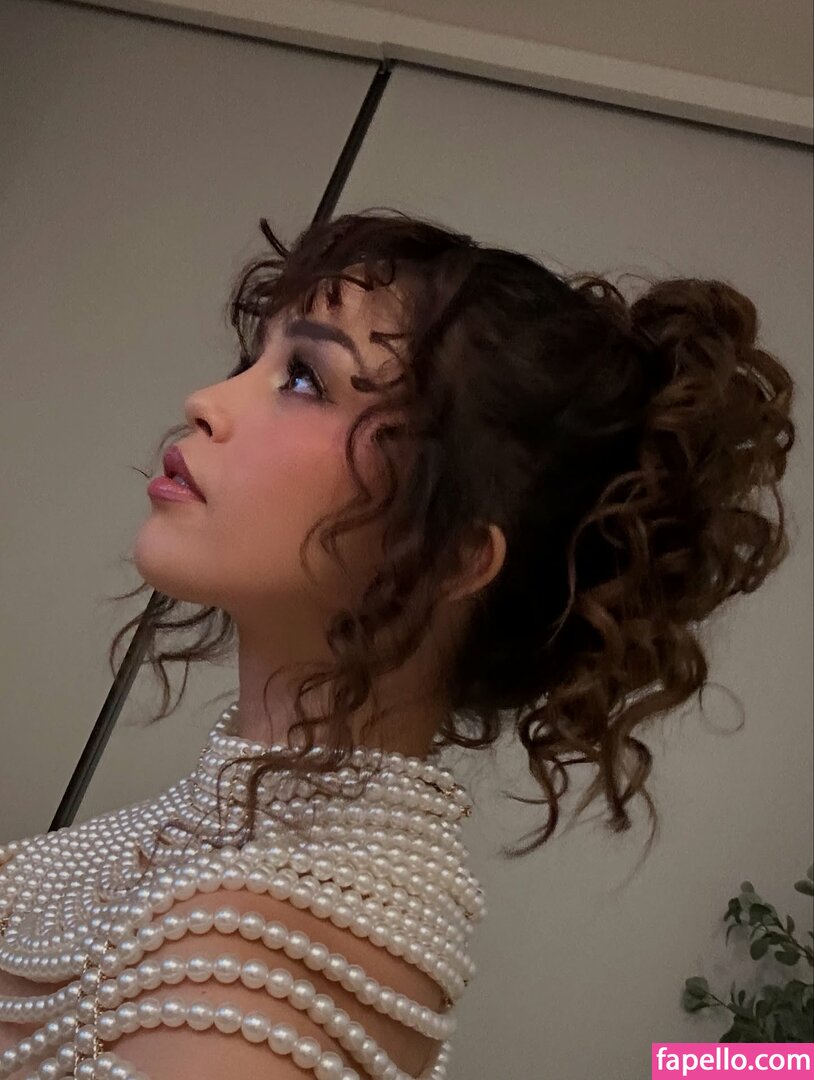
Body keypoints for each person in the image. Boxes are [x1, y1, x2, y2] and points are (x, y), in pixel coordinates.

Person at [0, 209, 797, 1080]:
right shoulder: (236, 850)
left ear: (451, 554)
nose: (206, 402)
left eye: (303, 377)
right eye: (255, 360)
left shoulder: (244, 996)